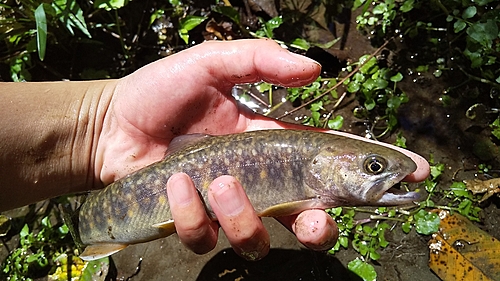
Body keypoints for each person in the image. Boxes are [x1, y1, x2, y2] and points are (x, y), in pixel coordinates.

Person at [0, 39, 430, 261]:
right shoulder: (304, 165)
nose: (380, 172)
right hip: (103, 219)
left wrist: (98, 130)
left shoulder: (312, 169)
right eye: (373, 165)